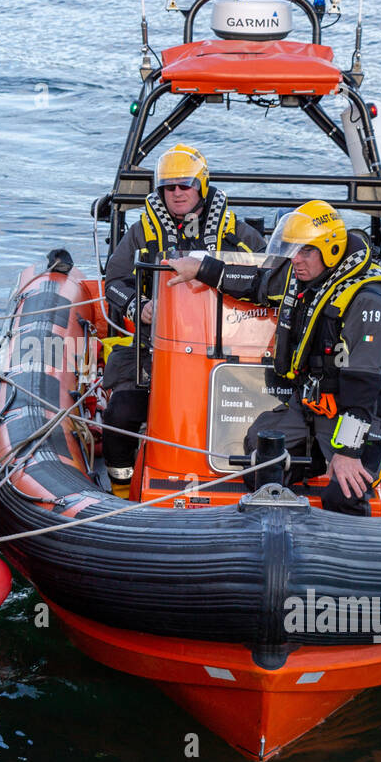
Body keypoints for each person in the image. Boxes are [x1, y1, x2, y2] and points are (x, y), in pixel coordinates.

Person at [164, 200, 381, 515]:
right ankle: (308, 476)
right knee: (258, 461)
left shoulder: (368, 299)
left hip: (358, 413)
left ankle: (361, 469)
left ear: (330, 250)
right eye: (292, 251)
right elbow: (256, 284)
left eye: (305, 252)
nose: (296, 260)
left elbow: (364, 385)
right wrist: (202, 268)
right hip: (313, 404)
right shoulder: (303, 275)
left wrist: (348, 452)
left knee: (344, 493)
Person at [100, 144, 264, 497]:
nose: (176, 193)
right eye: (168, 187)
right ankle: (119, 488)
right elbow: (113, 283)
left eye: (184, 185)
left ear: (200, 187)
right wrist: (138, 305)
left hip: (229, 351)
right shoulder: (142, 234)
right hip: (155, 351)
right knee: (120, 413)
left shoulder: (238, 234)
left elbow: (267, 280)